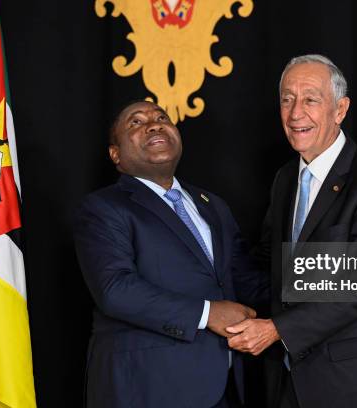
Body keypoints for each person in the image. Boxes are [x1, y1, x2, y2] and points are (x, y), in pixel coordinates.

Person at [226, 55, 357, 407]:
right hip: (289, 379)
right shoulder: (286, 178)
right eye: (287, 99)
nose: (296, 112)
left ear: (340, 109)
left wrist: (276, 330)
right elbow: (270, 266)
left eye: (311, 99)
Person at [73, 101, 267, 408]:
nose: (153, 124)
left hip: (226, 389)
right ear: (116, 155)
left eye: (161, 117)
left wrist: (327, 282)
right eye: (135, 123)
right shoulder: (103, 208)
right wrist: (208, 313)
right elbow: (115, 290)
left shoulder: (212, 205)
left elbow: (246, 280)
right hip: (148, 389)